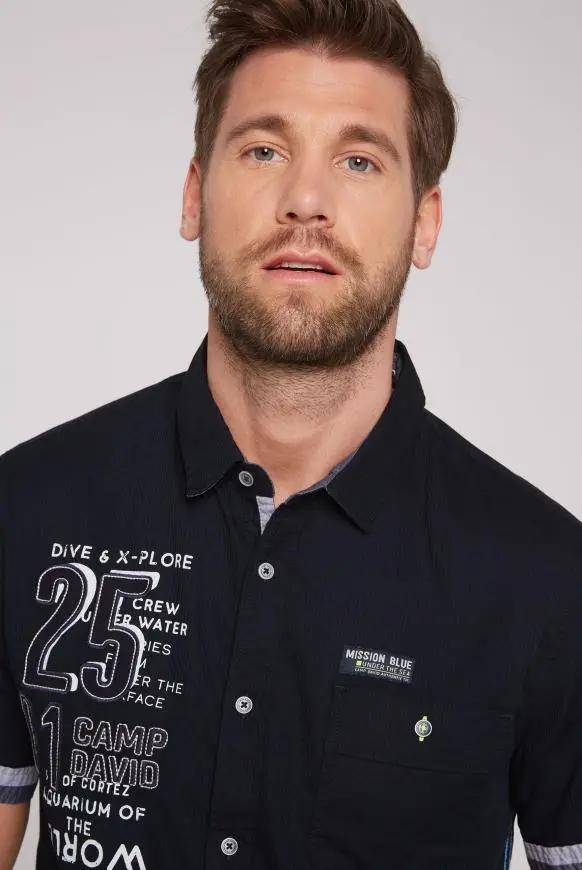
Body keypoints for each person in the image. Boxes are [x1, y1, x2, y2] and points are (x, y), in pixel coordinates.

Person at [1, 0, 581, 867]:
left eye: (359, 160)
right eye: (264, 150)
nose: (306, 201)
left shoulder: (548, 580)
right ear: (194, 195)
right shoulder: (24, 508)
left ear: (424, 222)